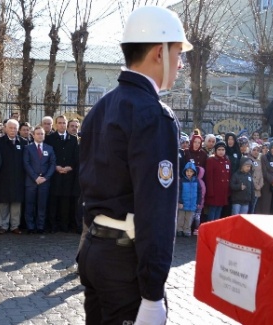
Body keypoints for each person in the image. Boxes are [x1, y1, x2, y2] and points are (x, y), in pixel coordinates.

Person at [78, 6, 192, 324]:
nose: (181, 64)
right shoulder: (154, 114)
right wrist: (153, 294)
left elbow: (87, 186)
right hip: (125, 265)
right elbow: (156, 211)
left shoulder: (100, 108)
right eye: (178, 53)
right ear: (159, 52)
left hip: (96, 251)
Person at [44, 115, 79, 233]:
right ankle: (53, 225)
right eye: (59, 123)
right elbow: (47, 156)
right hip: (54, 174)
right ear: (55, 124)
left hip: (68, 175)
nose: (62, 125)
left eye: (64, 123)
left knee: (66, 202)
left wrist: (71, 167)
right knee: (53, 201)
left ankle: (65, 225)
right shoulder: (49, 138)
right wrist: (55, 166)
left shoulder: (73, 139)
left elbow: (76, 157)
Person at [0, 119, 27, 234]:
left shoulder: (23, 142)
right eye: (10, 128)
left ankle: (15, 226)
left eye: (15, 128)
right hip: (3, 176)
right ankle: (3, 225)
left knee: (16, 202)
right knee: (3, 202)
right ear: (5, 129)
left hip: (18, 177)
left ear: (17, 130)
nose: (13, 130)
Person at [23, 126, 56, 234]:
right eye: (38, 134)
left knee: (42, 205)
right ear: (33, 135)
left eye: (42, 134)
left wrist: (45, 178)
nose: (40, 135)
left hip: (44, 182)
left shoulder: (49, 148)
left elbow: (52, 164)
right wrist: (35, 177)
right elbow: (26, 164)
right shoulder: (28, 148)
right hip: (31, 181)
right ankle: (30, 226)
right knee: (30, 205)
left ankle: (40, 226)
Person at [205, 141, 231, 221]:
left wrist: (228, 191)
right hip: (215, 191)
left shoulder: (227, 161)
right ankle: (210, 227)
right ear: (215, 150)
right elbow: (209, 177)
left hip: (223, 191)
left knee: (219, 209)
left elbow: (228, 176)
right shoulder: (211, 160)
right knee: (213, 209)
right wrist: (210, 192)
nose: (221, 152)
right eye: (219, 150)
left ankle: (216, 228)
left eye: (223, 150)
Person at [177, 161, 201, 237]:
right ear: (185, 171)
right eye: (187, 171)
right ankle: (179, 229)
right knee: (181, 217)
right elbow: (179, 191)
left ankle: (187, 229)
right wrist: (179, 201)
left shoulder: (197, 181)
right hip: (183, 203)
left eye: (191, 171)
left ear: (194, 172)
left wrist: (198, 202)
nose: (189, 173)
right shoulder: (182, 181)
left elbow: (199, 192)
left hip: (192, 203)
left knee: (189, 218)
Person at [248, 143, 264, 213]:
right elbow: (249, 174)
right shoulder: (248, 160)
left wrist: (260, 185)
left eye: (257, 150)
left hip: (258, 188)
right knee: (249, 209)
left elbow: (261, 174)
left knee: (253, 209)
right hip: (251, 188)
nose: (256, 152)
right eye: (254, 150)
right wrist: (255, 185)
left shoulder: (259, 161)